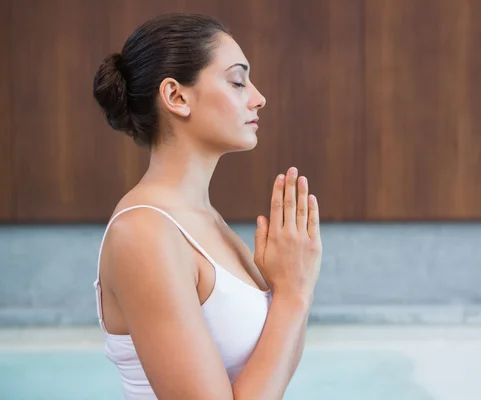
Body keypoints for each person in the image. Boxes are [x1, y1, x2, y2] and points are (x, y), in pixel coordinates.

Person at [92, 13, 322, 400]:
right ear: (176, 97)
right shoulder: (144, 233)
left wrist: (293, 288)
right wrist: (293, 295)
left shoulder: (208, 222)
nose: (258, 97)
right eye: (237, 80)